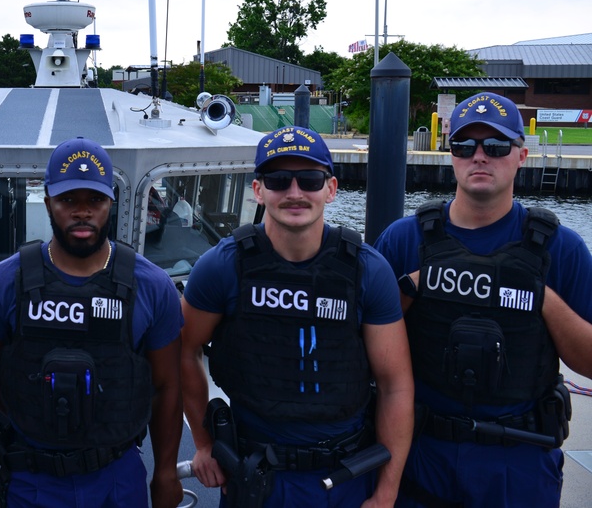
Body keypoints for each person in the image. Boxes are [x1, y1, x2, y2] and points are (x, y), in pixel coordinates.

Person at [373, 92, 592, 508]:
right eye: (464, 145)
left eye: (495, 146)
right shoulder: (404, 240)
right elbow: (362, 344)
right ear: (450, 153)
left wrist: (539, 297)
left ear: (521, 156)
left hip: (519, 460)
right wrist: (413, 288)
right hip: (421, 451)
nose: (479, 156)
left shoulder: (560, 249)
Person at [181, 126, 414, 507]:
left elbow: (396, 386)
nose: (294, 192)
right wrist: (204, 443)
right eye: (277, 180)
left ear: (331, 188)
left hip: (344, 477)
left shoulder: (367, 271)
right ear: (258, 190)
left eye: (309, 179)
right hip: (253, 476)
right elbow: (184, 349)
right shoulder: (222, 267)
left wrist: (386, 493)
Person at [0, 137, 185, 508]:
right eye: (69, 200)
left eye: (95, 201)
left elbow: (166, 386)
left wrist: (164, 472)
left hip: (117, 477)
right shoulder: (3, 283)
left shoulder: (151, 287)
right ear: (48, 199)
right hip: (31, 476)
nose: (82, 212)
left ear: (110, 202)